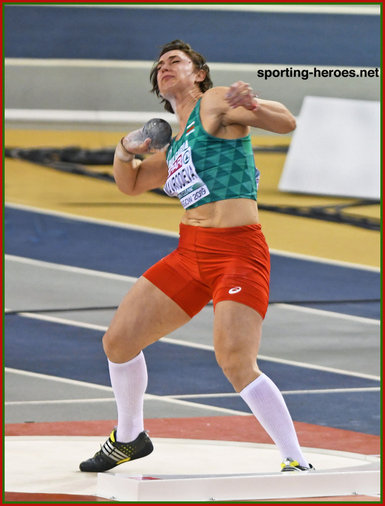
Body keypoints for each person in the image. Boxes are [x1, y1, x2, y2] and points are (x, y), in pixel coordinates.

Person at [79, 40, 313, 473]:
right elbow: (129, 184)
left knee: (236, 360)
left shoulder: (215, 103)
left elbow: (287, 122)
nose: (165, 67)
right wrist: (125, 149)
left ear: (199, 73)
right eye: (160, 65)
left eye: (176, 61)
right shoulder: (176, 143)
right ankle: (130, 436)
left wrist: (254, 106)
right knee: (118, 342)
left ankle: (295, 459)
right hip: (191, 252)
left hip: (238, 251)